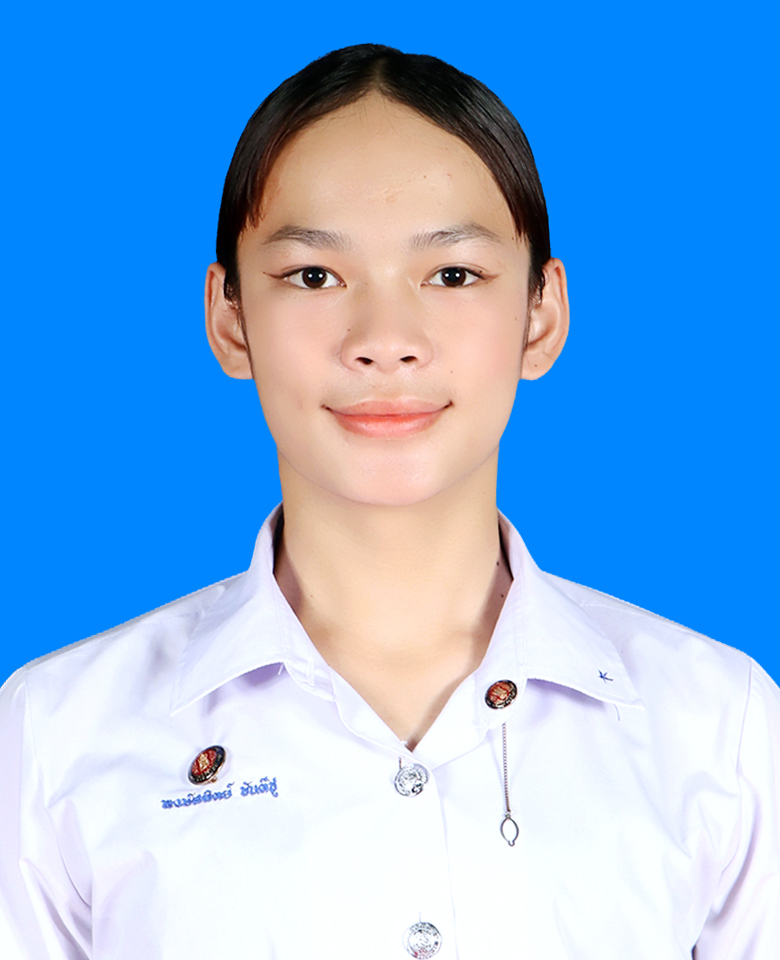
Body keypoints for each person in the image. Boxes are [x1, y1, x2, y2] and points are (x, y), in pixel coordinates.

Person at [1, 43, 778, 960]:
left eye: (452, 275)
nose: (384, 340)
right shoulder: (54, 737)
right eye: (314, 276)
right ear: (229, 319)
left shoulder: (719, 729)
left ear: (542, 315)